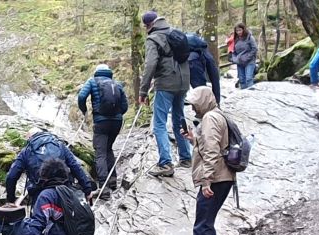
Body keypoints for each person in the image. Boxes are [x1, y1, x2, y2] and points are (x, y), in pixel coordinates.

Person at [183, 86, 236, 235]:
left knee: (201, 225)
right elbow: (211, 144)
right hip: (222, 176)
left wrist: (206, 181)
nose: (193, 109)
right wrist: (193, 139)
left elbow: (213, 151)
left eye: (195, 104)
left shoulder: (210, 119)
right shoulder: (217, 115)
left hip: (216, 178)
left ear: (203, 101)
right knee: (207, 222)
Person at [137, 11, 193, 177]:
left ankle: (165, 163)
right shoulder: (175, 33)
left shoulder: (153, 39)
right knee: (178, 117)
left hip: (166, 84)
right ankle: (186, 157)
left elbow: (150, 65)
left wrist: (143, 90)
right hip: (183, 83)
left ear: (148, 26)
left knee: (159, 123)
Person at [2, 130, 95, 205]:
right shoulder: (59, 145)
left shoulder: (26, 151)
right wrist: (88, 190)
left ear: (30, 138)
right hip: (64, 189)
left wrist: (10, 200)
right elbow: (76, 167)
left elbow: (11, 177)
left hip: (40, 192)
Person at [74, 64, 129, 186]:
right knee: (108, 148)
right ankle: (113, 179)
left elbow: (82, 96)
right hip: (116, 122)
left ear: (96, 72)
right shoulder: (116, 84)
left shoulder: (92, 81)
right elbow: (125, 106)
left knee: (100, 153)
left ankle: (103, 187)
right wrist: (117, 115)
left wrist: (84, 110)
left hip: (101, 121)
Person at [186, 33, 223, 103]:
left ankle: (205, 109)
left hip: (192, 62)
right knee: (202, 89)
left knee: (199, 90)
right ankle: (213, 105)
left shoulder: (192, 55)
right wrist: (217, 101)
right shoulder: (203, 50)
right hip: (196, 60)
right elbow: (214, 78)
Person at [231, 24, 259, 90]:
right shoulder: (235, 39)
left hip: (249, 61)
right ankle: (244, 95)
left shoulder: (249, 38)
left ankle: (251, 95)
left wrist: (247, 57)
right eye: (237, 31)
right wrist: (234, 59)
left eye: (240, 30)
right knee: (241, 80)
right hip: (240, 62)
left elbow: (254, 48)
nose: (238, 32)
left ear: (243, 30)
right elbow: (233, 50)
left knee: (249, 78)